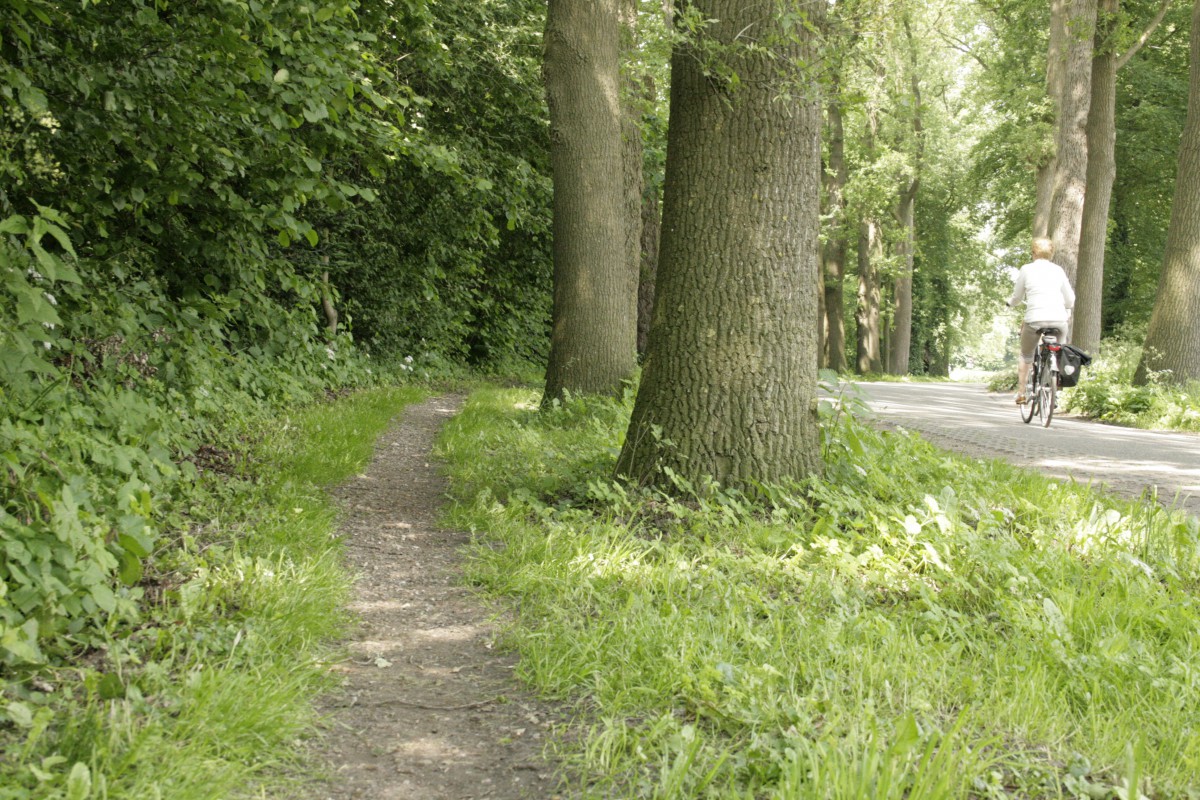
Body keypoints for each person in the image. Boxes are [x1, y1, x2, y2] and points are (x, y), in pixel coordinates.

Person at [1007, 237, 1075, 404]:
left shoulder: (1026, 269)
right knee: (1060, 351)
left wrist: (1010, 303)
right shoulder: (1058, 270)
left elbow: (1017, 296)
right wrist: (1065, 306)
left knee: (1026, 354)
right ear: (1051, 253)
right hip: (1058, 319)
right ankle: (1055, 390)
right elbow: (1070, 300)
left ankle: (1021, 392)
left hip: (1034, 320)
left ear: (1033, 252)